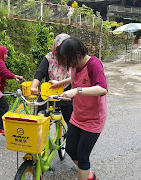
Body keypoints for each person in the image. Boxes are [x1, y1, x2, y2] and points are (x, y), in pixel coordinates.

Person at [56, 37, 108, 180]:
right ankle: (89, 175)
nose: (68, 64)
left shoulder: (94, 65)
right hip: (78, 116)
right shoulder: (75, 65)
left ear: (78, 54)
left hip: (93, 120)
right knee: (71, 150)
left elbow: (102, 89)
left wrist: (77, 91)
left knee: (83, 156)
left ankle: (84, 174)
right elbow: (73, 79)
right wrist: (58, 83)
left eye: (69, 59)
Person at [30, 33, 73, 124]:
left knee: (72, 124)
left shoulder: (73, 59)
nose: (61, 52)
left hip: (66, 95)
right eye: (59, 49)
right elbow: (39, 73)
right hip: (48, 95)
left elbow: (78, 76)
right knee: (39, 121)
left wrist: (60, 83)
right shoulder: (49, 57)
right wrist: (34, 87)